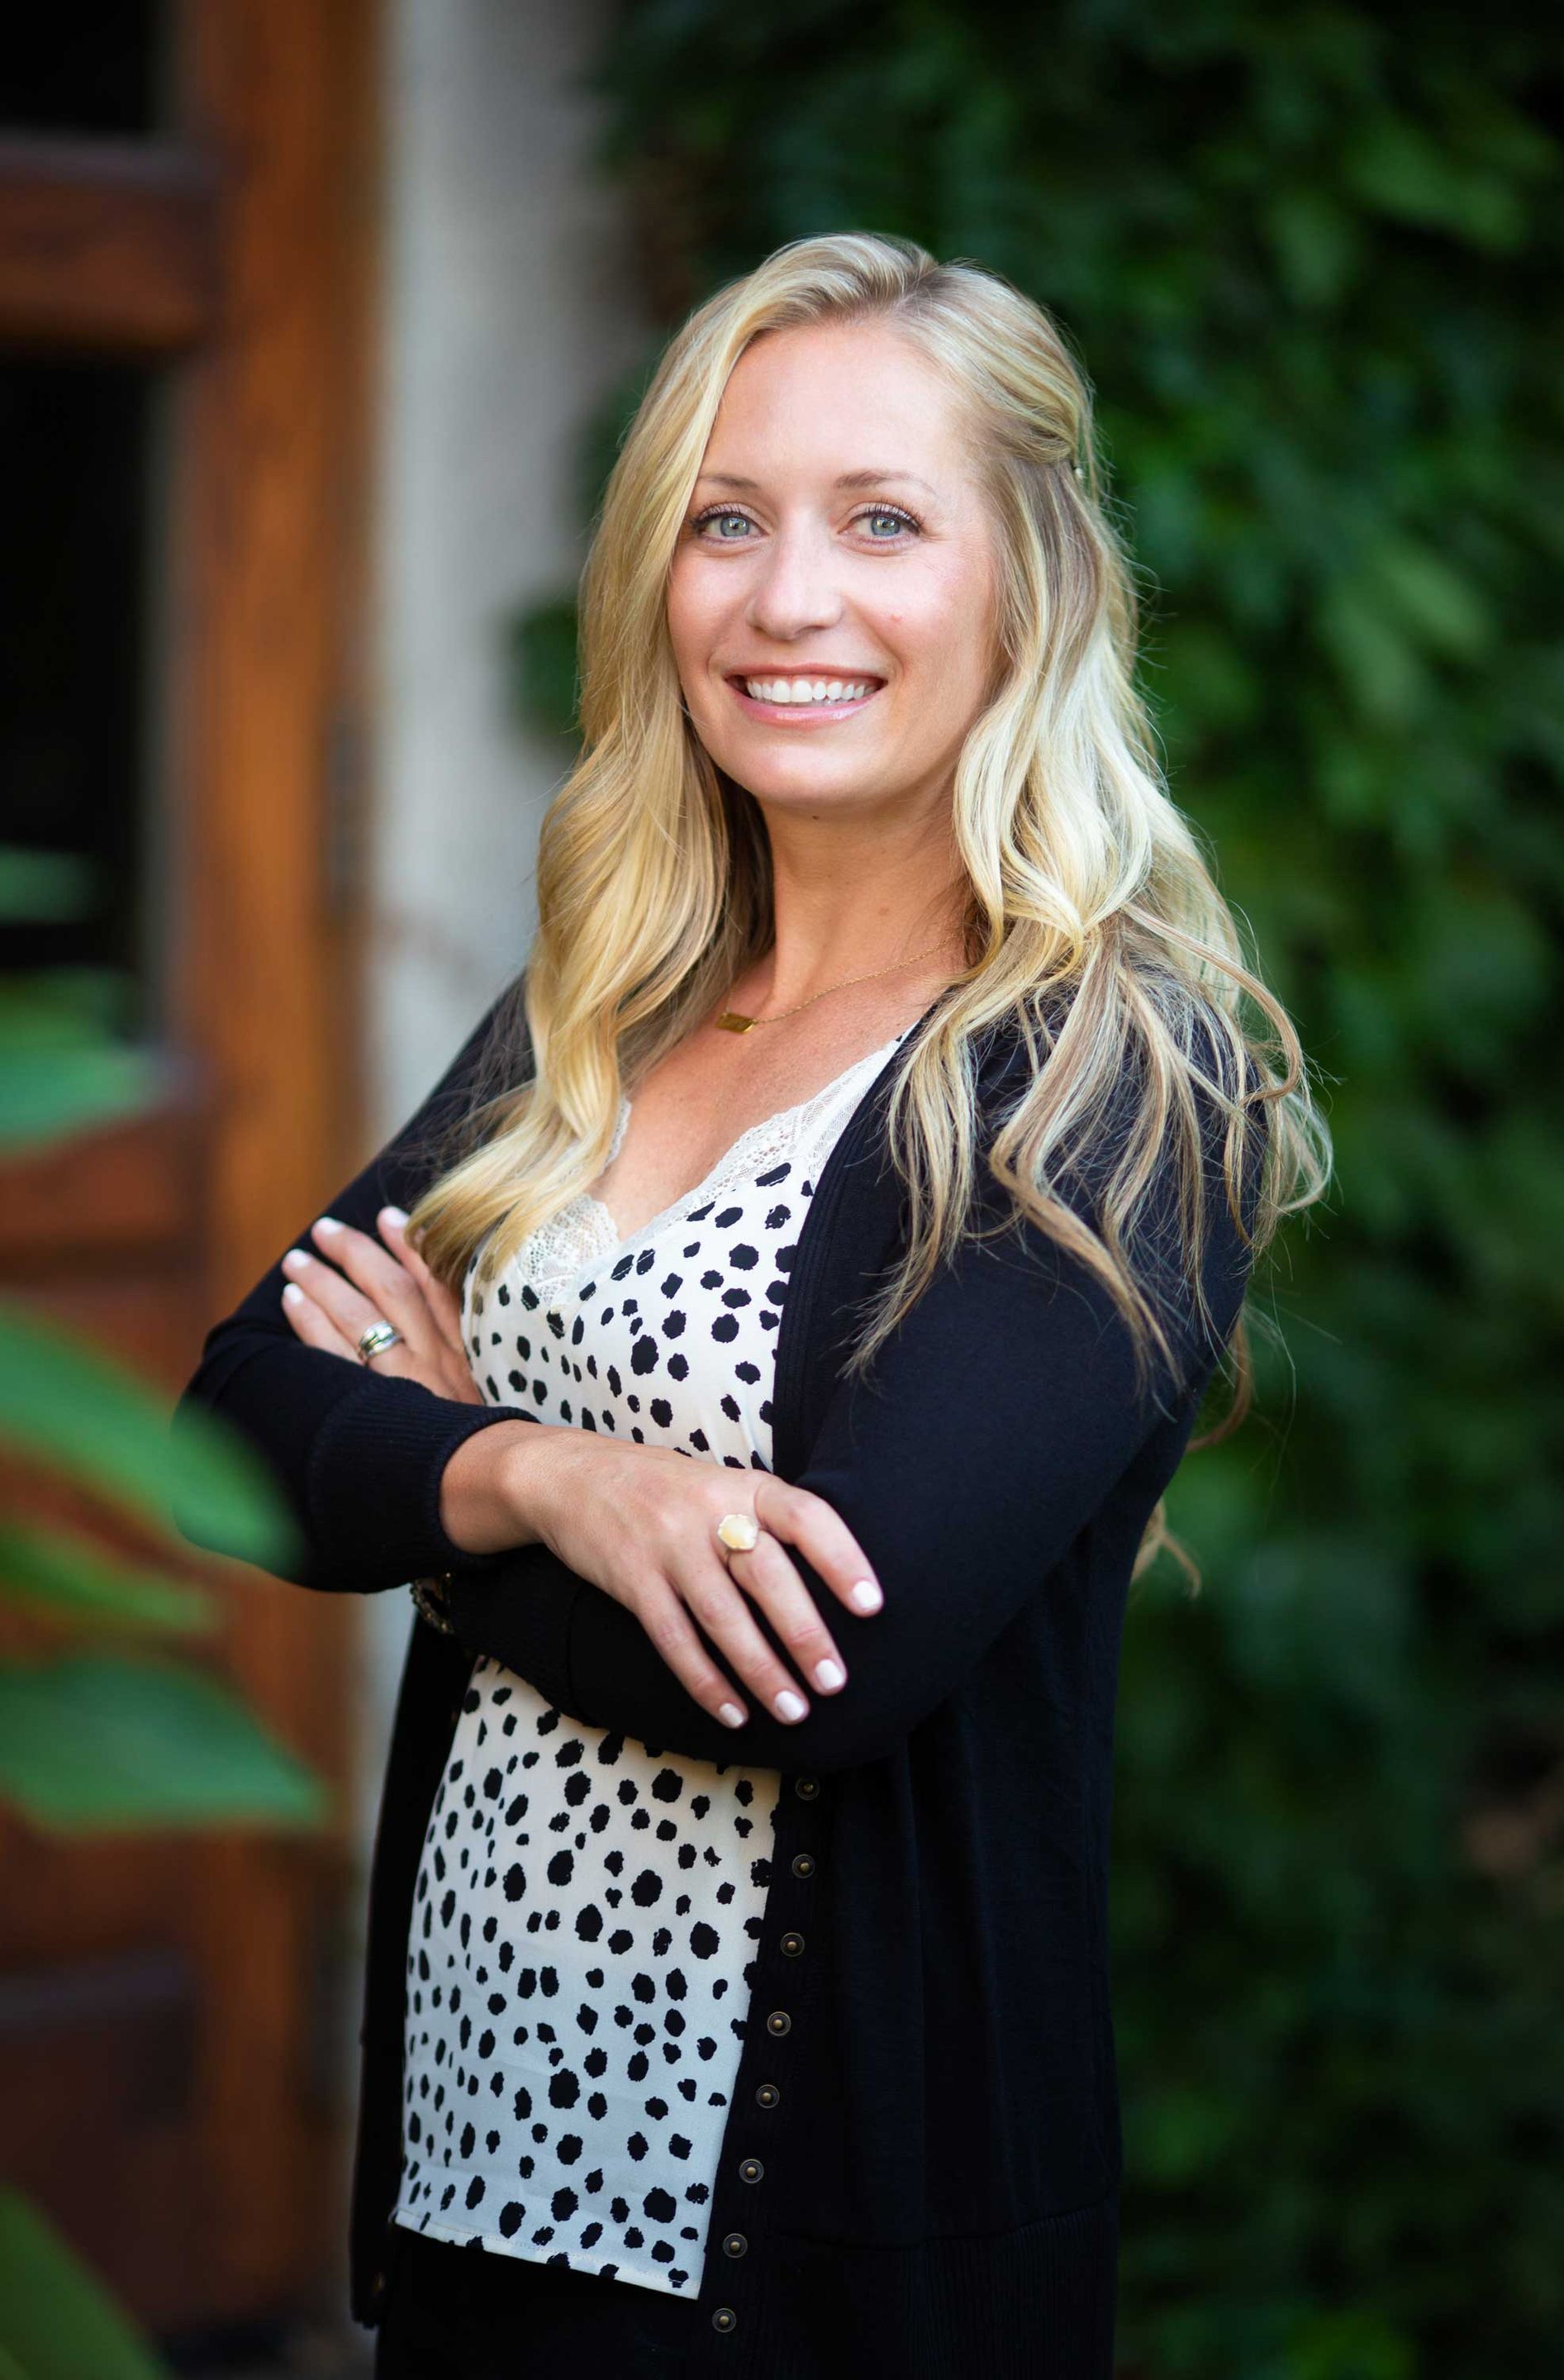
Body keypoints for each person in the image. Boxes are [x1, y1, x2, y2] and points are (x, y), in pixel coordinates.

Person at [174, 231, 1329, 2379]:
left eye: (882, 521)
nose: (787, 598)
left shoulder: (1104, 1079)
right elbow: (239, 1433)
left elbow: (826, 1666)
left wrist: (427, 1493)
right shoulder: (601, 1017)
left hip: (824, 2263)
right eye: (727, 519)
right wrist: (545, 1477)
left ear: (1029, 587)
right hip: (480, 2186)